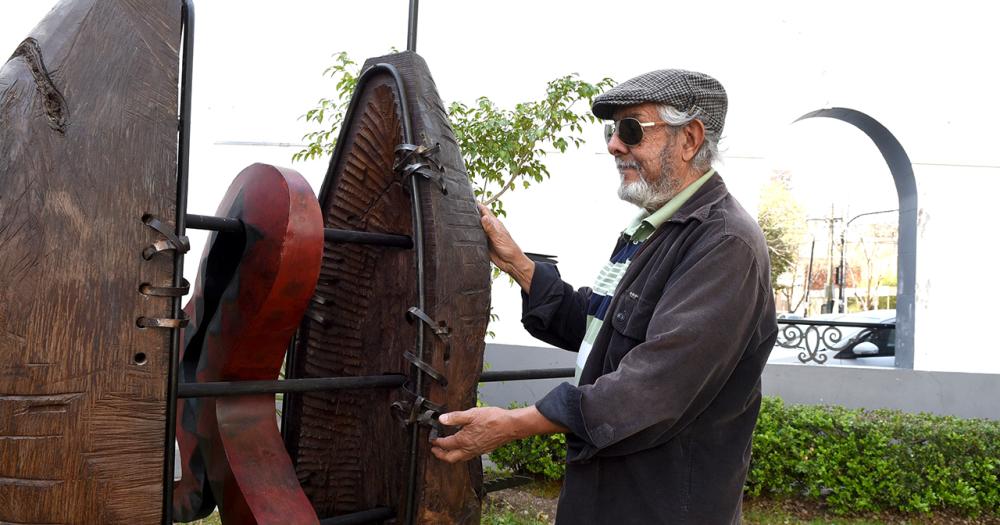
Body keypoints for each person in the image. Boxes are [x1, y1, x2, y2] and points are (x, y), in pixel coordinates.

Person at [431, 69, 778, 524]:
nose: (615, 145)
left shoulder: (725, 243)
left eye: (631, 128)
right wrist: (517, 262)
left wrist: (513, 425)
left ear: (690, 139)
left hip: (659, 508)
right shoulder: (651, 230)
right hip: (604, 498)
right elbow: (599, 327)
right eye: (612, 131)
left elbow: (655, 385)